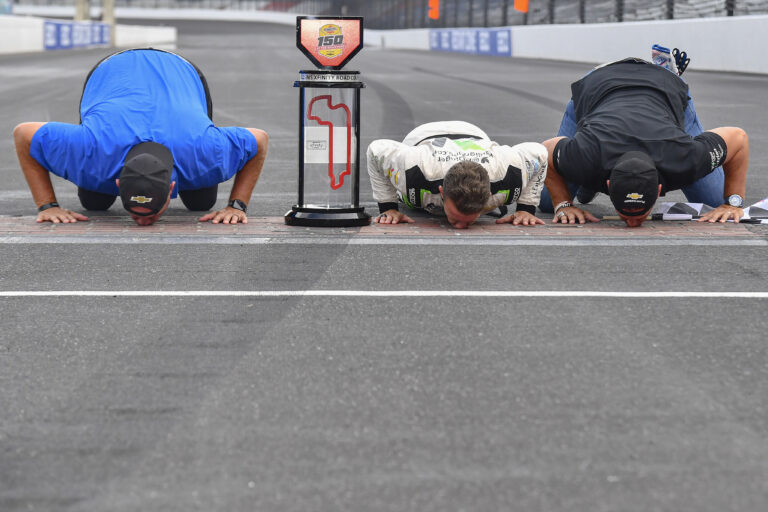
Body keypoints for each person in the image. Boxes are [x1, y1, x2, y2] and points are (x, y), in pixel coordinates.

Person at [13, 48, 268, 226]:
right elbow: (23, 133)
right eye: (134, 214)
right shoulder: (90, 154)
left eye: (151, 213)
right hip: (112, 78)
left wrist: (236, 205)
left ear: (171, 188)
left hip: (180, 72)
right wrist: (47, 206)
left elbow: (259, 139)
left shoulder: (204, 154)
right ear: (117, 184)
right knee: (94, 202)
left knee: (202, 202)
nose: (144, 222)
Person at [539, 57, 749, 227]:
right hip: (598, 86)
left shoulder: (685, 157)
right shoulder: (586, 154)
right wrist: (563, 204)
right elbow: (546, 150)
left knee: (715, 204)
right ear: (610, 186)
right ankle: (583, 179)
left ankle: (665, 70)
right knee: (550, 203)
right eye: (627, 214)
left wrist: (732, 202)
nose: (631, 223)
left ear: (658, 190)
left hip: (662, 88)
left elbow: (738, 139)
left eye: (639, 215)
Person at [367, 121, 547, 229]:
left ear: (489, 196)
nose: (460, 228)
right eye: (455, 218)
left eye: (468, 222)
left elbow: (540, 153)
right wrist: (388, 207)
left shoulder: (509, 174)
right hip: (423, 136)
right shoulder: (414, 169)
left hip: (473, 133)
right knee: (407, 198)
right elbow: (376, 150)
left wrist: (526, 208)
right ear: (442, 192)